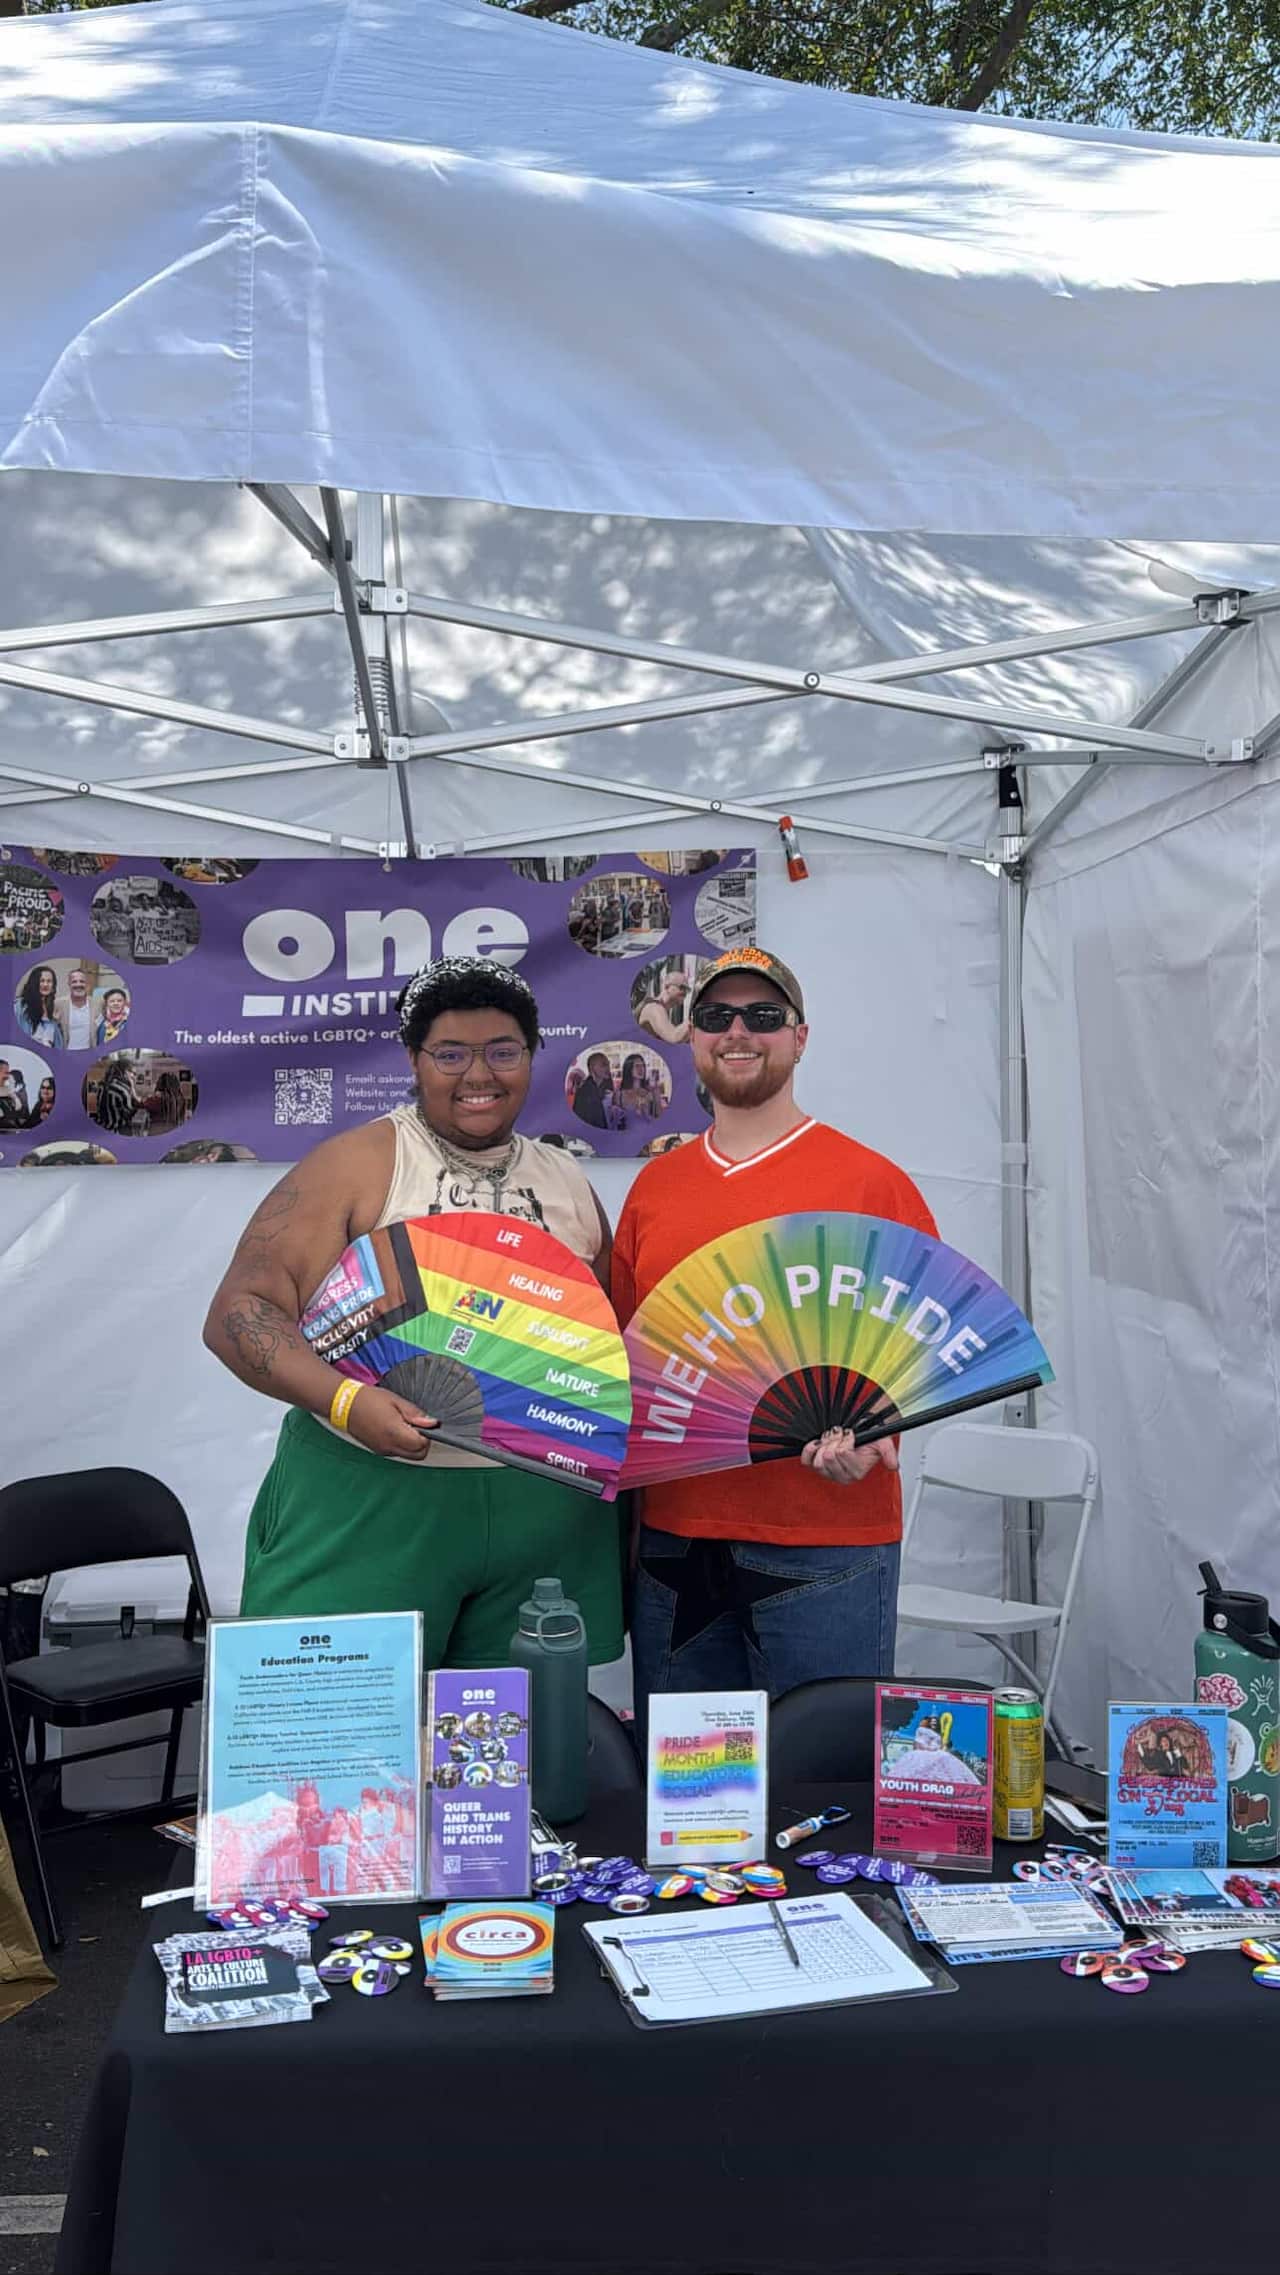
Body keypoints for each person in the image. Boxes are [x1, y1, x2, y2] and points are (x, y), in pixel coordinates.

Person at [204, 954, 625, 1670]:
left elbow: (605, 1347)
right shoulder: (359, 1163)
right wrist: (344, 1399)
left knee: (515, 1751)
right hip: (371, 1495)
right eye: (451, 1054)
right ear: (413, 1058)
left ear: (532, 1056)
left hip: (539, 1512)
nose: (479, 1075)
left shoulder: (566, 1181)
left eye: (503, 1051)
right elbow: (240, 1311)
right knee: (344, 1739)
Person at [612, 947, 937, 1718]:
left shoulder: (870, 1182)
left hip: (831, 1538)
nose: (738, 1032)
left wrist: (877, 1431)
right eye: (717, 1015)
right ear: (691, 1037)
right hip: (676, 1539)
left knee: (830, 1792)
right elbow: (632, 1352)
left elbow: (926, 1342)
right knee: (689, 1804)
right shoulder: (654, 1188)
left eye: (763, 1016)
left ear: (800, 1037)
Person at [636, 965, 691, 1046]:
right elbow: (674, 1037)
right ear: (667, 987)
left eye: (687, 990)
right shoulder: (654, 1008)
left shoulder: (661, 1009)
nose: (685, 992)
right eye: (682, 987)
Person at [16, 965, 63, 1048]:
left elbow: (56, 1042)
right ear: (34, 983)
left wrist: (56, 1023)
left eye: (49, 981)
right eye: (42, 981)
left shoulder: (52, 1008)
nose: (45, 984)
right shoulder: (20, 1006)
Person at [570, 1050, 617, 1131]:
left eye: (608, 1064)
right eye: (604, 1065)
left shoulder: (605, 1087)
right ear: (592, 1068)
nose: (608, 1068)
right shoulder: (585, 1092)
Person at [55, 966, 99, 1050]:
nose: (78, 984)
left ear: (87, 984)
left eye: (82, 981)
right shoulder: (58, 1004)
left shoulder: (97, 1004)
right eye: (74, 981)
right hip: (65, 1055)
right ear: (69, 984)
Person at [618, 1052, 660, 1120]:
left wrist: (656, 1095)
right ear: (629, 1068)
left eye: (643, 1065)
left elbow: (659, 1116)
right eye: (637, 1066)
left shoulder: (650, 1092)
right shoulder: (620, 1094)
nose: (641, 1069)